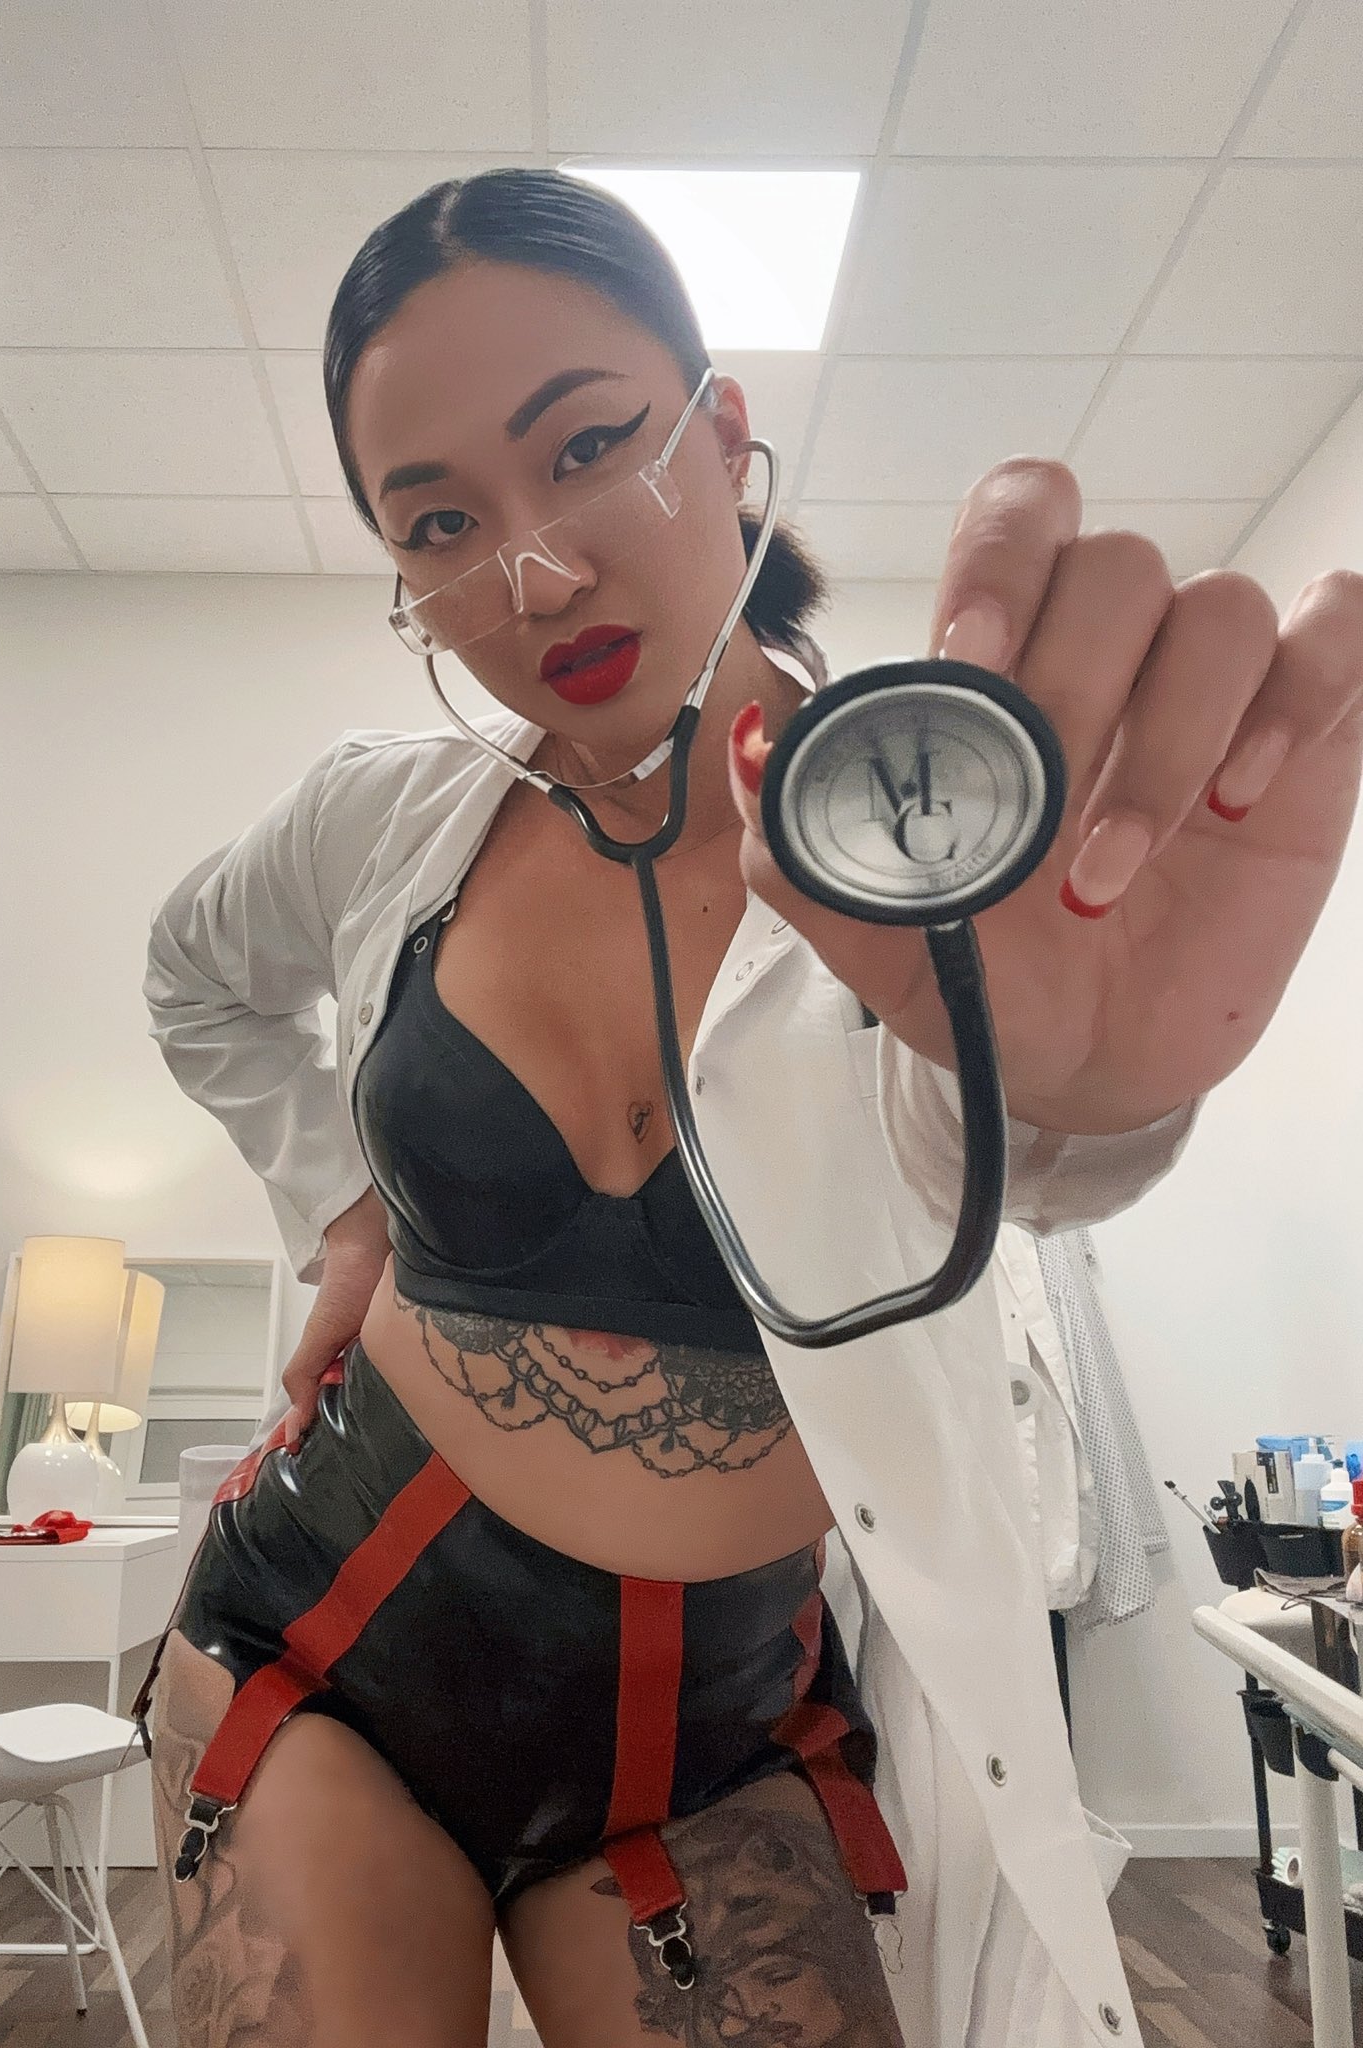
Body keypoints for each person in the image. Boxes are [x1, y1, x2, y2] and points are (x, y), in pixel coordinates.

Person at [136, 167, 1363, 2048]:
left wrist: (1092, 1083)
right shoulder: (382, 822)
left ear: (723, 437)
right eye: (441, 522)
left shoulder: (923, 856)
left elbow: (1008, 1153)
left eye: (588, 447)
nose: (536, 576)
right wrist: (346, 1210)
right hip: (328, 1652)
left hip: (712, 1734)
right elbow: (196, 979)